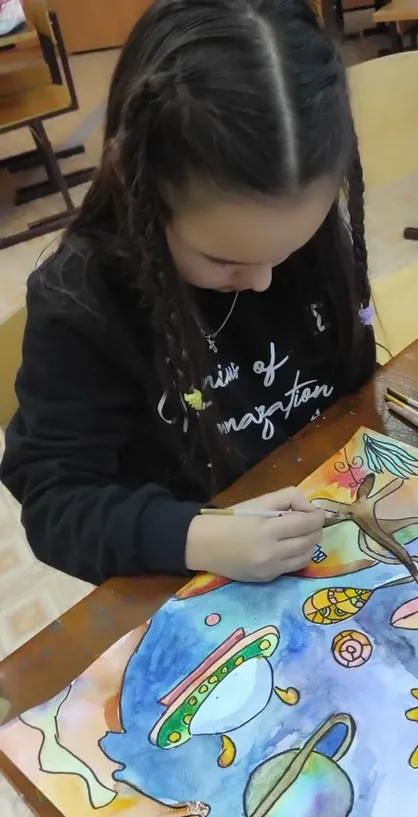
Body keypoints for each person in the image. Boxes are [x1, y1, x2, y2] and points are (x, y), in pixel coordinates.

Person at [0, 0, 375, 586]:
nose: (263, 280)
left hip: (319, 511)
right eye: (224, 260)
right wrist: (196, 536)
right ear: (134, 181)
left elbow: (354, 385)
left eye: (289, 249)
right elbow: (55, 504)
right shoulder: (83, 304)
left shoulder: (297, 232)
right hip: (191, 572)